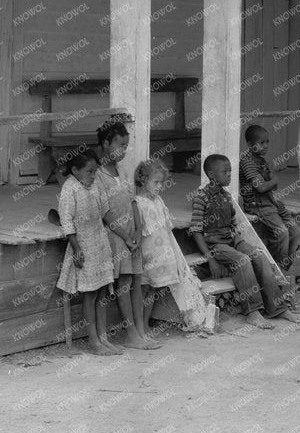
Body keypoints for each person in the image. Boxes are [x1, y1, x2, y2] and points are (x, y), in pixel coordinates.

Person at [188, 153, 292, 328]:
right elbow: (196, 231)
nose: (229, 175)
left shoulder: (227, 196)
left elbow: (234, 223)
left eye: (230, 171)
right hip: (215, 244)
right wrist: (210, 258)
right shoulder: (201, 197)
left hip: (231, 240)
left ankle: (277, 307)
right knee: (242, 261)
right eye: (225, 172)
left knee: (258, 256)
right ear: (212, 175)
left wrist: (240, 243)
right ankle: (253, 311)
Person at [132, 158, 217, 336]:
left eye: (161, 183)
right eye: (155, 182)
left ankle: (145, 323)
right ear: (143, 180)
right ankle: (137, 325)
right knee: (142, 289)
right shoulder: (137, 203)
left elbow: (166, 227)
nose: (159, 186)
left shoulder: (158, 201)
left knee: (153, 289)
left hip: (161, 255)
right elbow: (138, 232)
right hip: (147, 255)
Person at [95, 119, 160, 350]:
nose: (123, 151)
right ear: (105, 143)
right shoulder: (98, 175)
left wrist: (139, 231)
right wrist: (124, 235)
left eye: (126, 146)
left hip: (132, 234)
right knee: (123, 282)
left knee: (136, 279)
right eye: (119, 145)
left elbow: (133, 202)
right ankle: (131, 333)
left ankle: (141, 331)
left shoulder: (122, 171)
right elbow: (105, 213)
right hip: (116, 236)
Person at [55, 150, 119, 356]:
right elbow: (66, 220)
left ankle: (103, 337)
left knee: (101, 291)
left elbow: (105, 211)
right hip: (83, 244)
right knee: (90, 293)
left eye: (95, 172)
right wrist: (76, 248)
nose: (93, 176)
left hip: (99, 241)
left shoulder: (96, 184)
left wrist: (124, 234)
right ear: (75, 170)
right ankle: (93, 340)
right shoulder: (69, 188)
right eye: (89, 172)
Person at [240, 124, 300, 271]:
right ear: (250, 145)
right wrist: (274, 180)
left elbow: (271, 187)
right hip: (258, 205)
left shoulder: (261, 160)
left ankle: (284, 268)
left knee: (296, 233)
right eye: (261, 143)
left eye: (267, 142)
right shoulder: (247, 162)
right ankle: (276, 269)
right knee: (282, 233)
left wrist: (271, 182)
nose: (265, 146)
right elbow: (261, 187)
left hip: (271, 203)